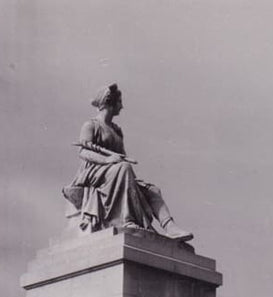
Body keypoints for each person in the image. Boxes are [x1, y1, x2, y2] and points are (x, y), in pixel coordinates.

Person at [63, 83, 193, 241]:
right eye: (119, 102)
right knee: (124, 168)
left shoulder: (117, 130)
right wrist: (107, 160)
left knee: (153, 190)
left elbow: (122, 157)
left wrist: (126, 172)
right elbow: (83, 151)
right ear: (110, 102)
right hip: (93, 173)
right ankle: (127, 219)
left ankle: (170, 227)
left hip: (117, 172)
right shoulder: (91, 125)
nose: (122, 106)